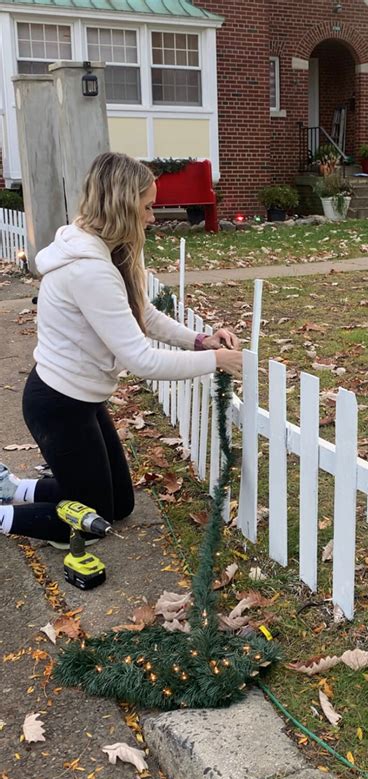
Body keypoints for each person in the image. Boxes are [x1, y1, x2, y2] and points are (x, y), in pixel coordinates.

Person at [0, 152, 242, 547]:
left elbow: (140, 311)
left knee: (121, 505)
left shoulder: (108, 250)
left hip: (81, 399)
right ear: (123, 205)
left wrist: (200, 340)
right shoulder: (90, 270)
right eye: (147, 207)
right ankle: (5, 514)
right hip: (59, 405)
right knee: (92, 520)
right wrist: (215, 360)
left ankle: (16, 489)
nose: (152, 217)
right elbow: (140, 360)